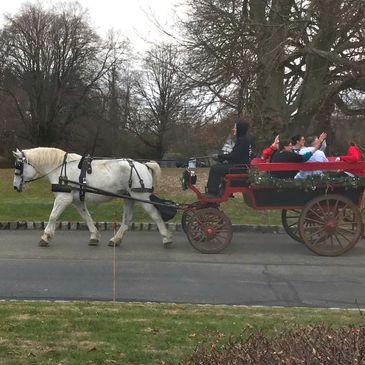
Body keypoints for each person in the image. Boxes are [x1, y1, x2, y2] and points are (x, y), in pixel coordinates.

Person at [205, 119, 255, 197]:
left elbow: (233, 156)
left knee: (215, 169)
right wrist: (223, 159)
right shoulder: (245, 139)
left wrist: (219, 157)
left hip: (239, 168)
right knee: (218, 167)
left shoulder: (242, 140)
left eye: (235, 127)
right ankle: (220, 190)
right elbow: (237, 156)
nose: (233, 129)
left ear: (240, 129)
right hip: (241, 166)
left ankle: (212, 192)